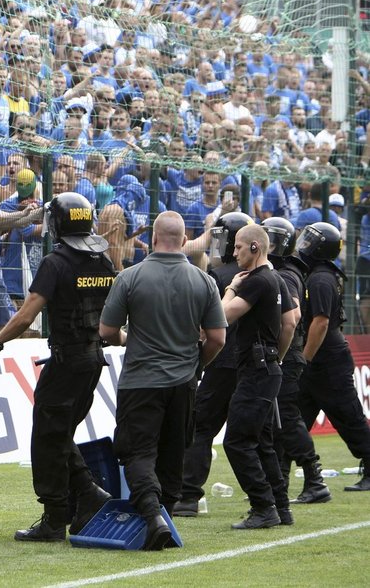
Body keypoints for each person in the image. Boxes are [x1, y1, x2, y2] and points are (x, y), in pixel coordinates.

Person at [0, 192, 115, 542]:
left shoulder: (55, 262)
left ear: (57, 224)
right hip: (93, 360)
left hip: (65, 362)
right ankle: (85, 497)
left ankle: (58, 516)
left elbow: (27, 314)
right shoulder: (102, 260)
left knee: (47, 439)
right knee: (59, 436)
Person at [98, 211, 227, 550]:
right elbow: (217, 338)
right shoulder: (204, 281)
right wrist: (197, 365)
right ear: (184, 241)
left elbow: (107, 331)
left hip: (140, 381)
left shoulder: (130, 277)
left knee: (137, 454)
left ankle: (154, 516)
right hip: (183, 383)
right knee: (173, 453)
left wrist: (128, 340)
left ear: (154, 239)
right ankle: (164, 516)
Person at [174, 212, 255, 516]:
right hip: (255, 363)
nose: (217, 246)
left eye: (220, 239)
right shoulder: (263, 276)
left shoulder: (218, 278)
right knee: (258, 432)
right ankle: (270, 493)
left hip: (223, 362)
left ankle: (187, 495)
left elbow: (201, 326)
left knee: (201, 426)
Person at [220, 223, 297, 529]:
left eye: (239, 247)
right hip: (268, 368)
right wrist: (275, 355)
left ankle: (263, 507)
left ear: (255, 248)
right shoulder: (276, 278)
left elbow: (221, 316)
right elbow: (290, 322)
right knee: (262, 442)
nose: (234, 252)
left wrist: (230, 289)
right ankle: (281, 507)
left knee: (236, 441)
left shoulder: (253, 281)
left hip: (256, 371)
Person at [297, 222, 370, 492]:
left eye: (307, 242)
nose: (302, 246)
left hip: (326, 361)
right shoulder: (321, 275)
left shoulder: (319, 279)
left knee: (348, 417)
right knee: (293, 419)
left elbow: (320, 323)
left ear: (318, 248)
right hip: (322, 359)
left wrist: (304, 360)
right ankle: (276, 477)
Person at [262, 217, 330, 504]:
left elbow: (293, 316)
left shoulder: (287, 274)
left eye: (274, 240)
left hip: (287, 354)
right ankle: (280, 481)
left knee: (287, 418)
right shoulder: (284, 270)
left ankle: (314, 479)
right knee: (279, 419)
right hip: (287, 354)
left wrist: (279, 351)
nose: (269, 245)